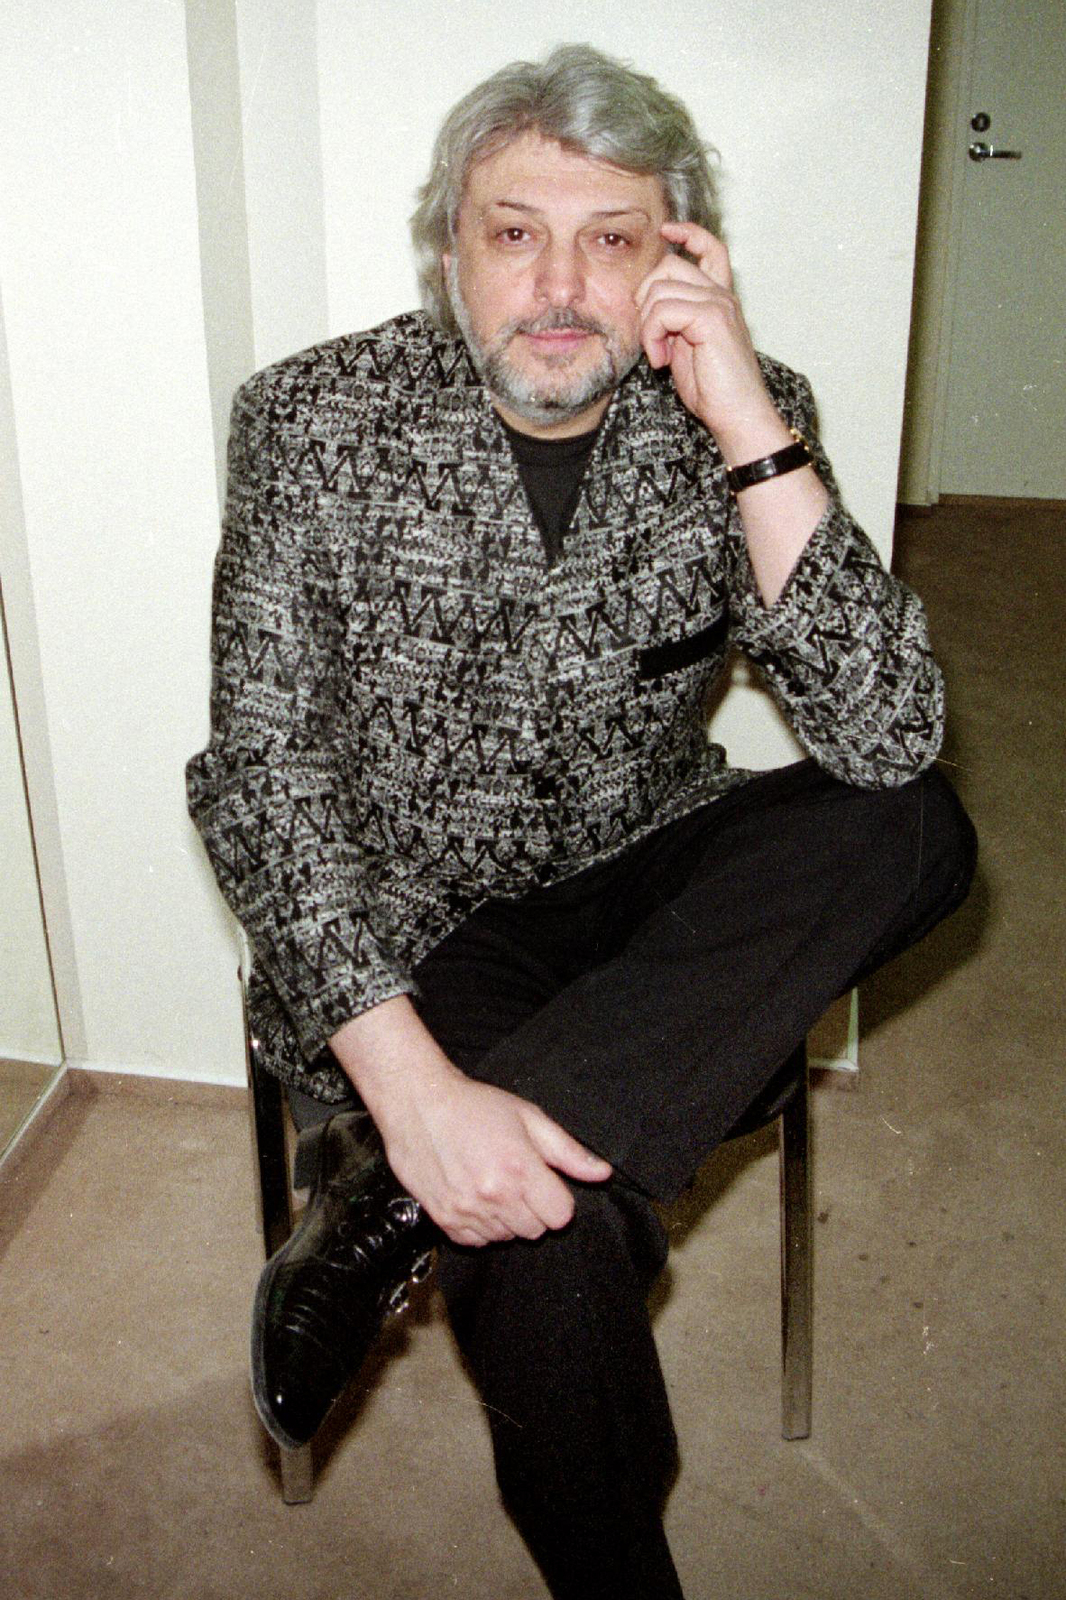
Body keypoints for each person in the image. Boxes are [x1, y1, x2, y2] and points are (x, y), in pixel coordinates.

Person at [187, 44, 975, 1600]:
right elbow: (259, 770)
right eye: (513, 233)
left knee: (913, 829)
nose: (558, 287)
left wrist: (746, 417)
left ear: (673, 255)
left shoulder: (743, 412)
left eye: (609, 238)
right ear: (447, 252)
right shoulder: (311, 419)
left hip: (641, 868)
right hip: (420, 925)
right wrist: (415, 1087)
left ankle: (385, 1205)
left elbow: (885, 734)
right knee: (547, 1234)